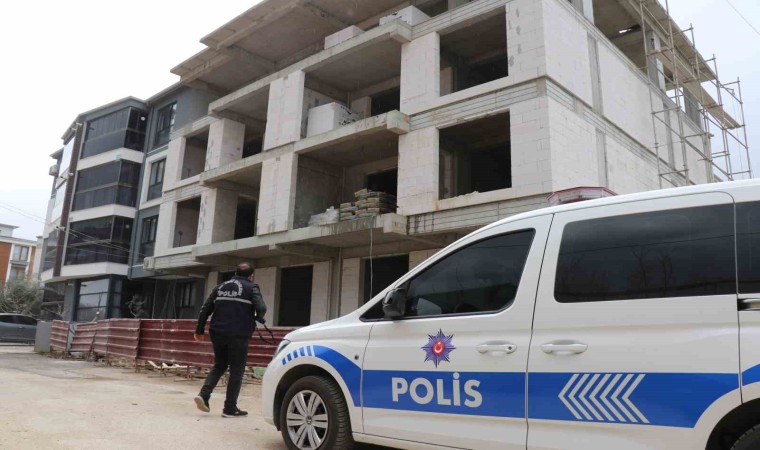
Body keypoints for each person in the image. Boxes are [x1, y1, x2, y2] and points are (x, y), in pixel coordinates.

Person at [193, 262, 267, 417]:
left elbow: (205, 309)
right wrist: (258, 317)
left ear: (236, 273)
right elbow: (261, 308)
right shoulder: (251, 287)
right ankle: (230, 408)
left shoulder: (220, 287)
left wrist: (199, 330)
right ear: (251, 276)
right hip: (239, 334)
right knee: (237, 369)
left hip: (217, 332)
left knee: (219, 365)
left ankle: (204, 395)